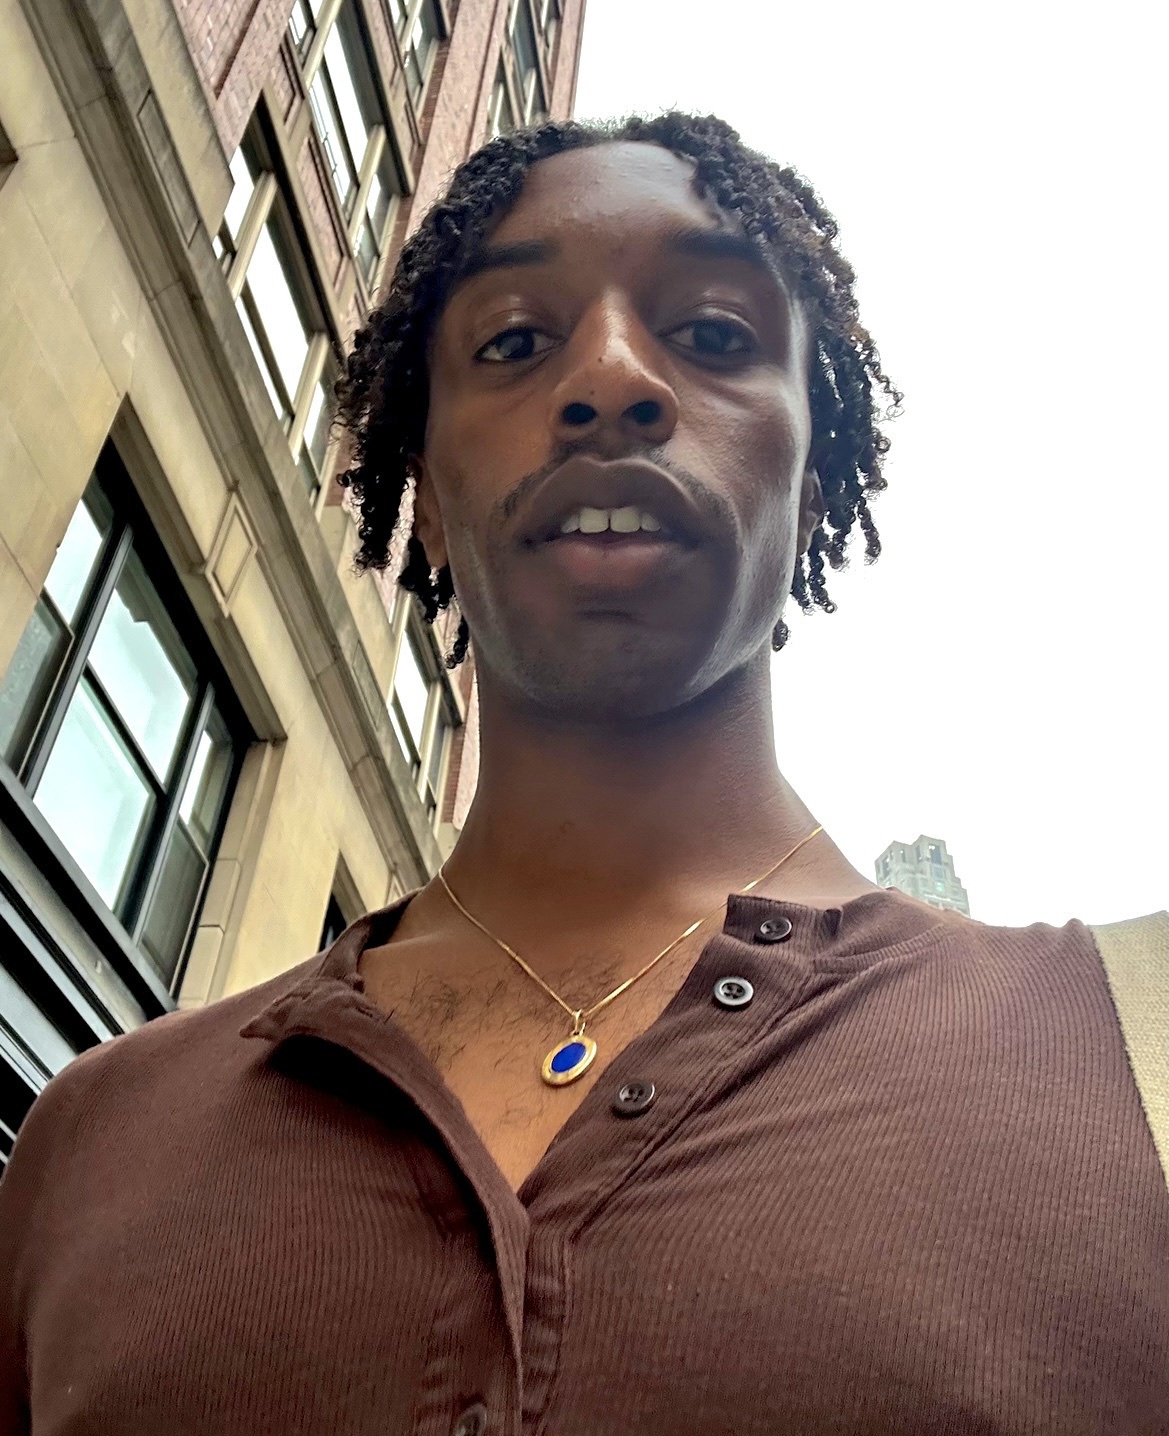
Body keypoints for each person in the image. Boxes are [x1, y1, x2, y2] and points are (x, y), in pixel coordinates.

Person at [1, 114, 1165, 1435]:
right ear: (424, 493)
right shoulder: (89, 1144)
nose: (609, 376)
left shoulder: (1139, 1053)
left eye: (715, 333)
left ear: (809, 465)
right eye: (511, 341)